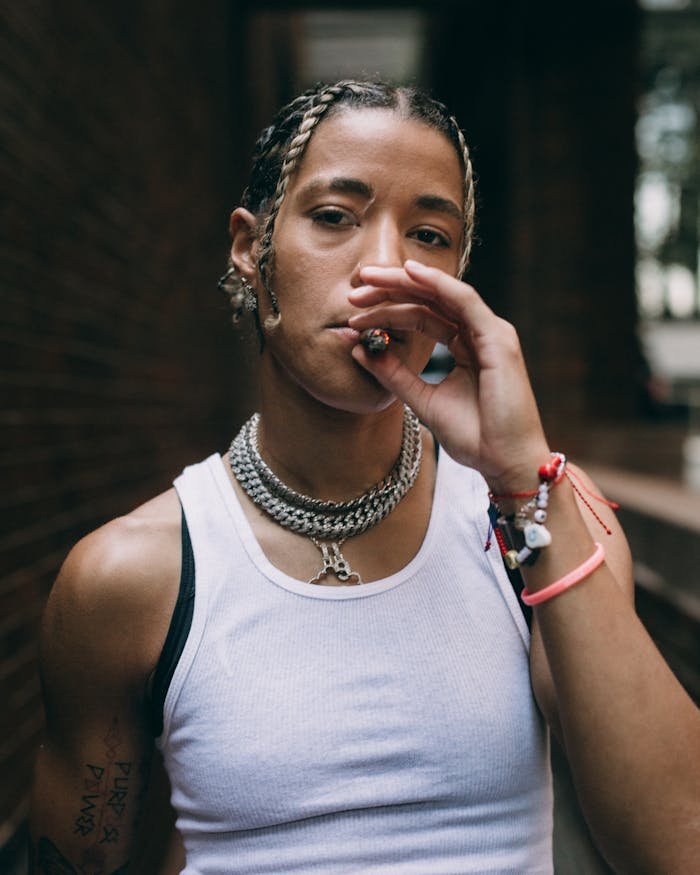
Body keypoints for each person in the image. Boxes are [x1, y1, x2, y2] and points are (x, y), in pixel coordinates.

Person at [30, 80, 699, 875]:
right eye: (334, 217)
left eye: (428, 234)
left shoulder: (548, 517)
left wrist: (522, 481)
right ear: (251, 246)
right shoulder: (132, 576)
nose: (383, 266)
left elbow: (676, 848)